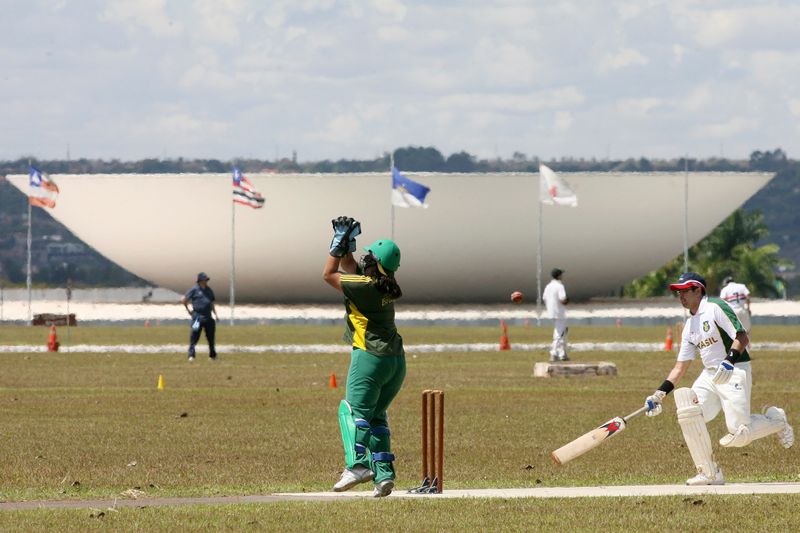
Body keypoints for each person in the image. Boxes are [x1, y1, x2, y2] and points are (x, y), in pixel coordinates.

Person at [643, 272, 793, 486]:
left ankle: (777, 420)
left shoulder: (714, 307)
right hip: (710, 374)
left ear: (698, 290)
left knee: (739, 433)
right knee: (689, 413)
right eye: (678, 292)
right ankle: (709, 473)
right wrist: (658, 395)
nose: (681, 296)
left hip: (734, 369)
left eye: (685, 291)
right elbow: (680, 366)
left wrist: (728, 360)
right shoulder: (689, 325)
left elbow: (742, 336)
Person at [322, 216, 406, 498]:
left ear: (375, 263)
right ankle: (383, 476)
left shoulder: (364, 286)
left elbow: (329, 274)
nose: (365, 258)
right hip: (396, 362)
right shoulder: (384, 284)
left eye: (369, 255)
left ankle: (357, 465)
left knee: (352, 412)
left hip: (370, 357)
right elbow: (351, 267)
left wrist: (336, 245)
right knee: (376, 416)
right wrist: (349, 247)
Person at [181, 272, 219, 362]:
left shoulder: (209, 290)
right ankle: (191, 355)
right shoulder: (194, 290)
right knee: (194, 335)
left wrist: (215, 314)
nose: (206, 281)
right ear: (200, 281)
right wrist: (188, 310)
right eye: (204, 280)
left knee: (211, 337)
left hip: (208, 317)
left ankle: (212, 355)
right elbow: (184, 300)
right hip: (197, 317)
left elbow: (211, 303)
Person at [542, 268, 569, 361]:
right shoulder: (559, 286)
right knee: (559, 333)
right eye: (561, 274)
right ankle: (554, 353)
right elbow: (562, 299)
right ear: (559, 276)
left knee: (564, 331)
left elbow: (544, 298)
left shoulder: (548, 286)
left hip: (551, 311)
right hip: (559, 312)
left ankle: (563, 353)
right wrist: (566, 301)